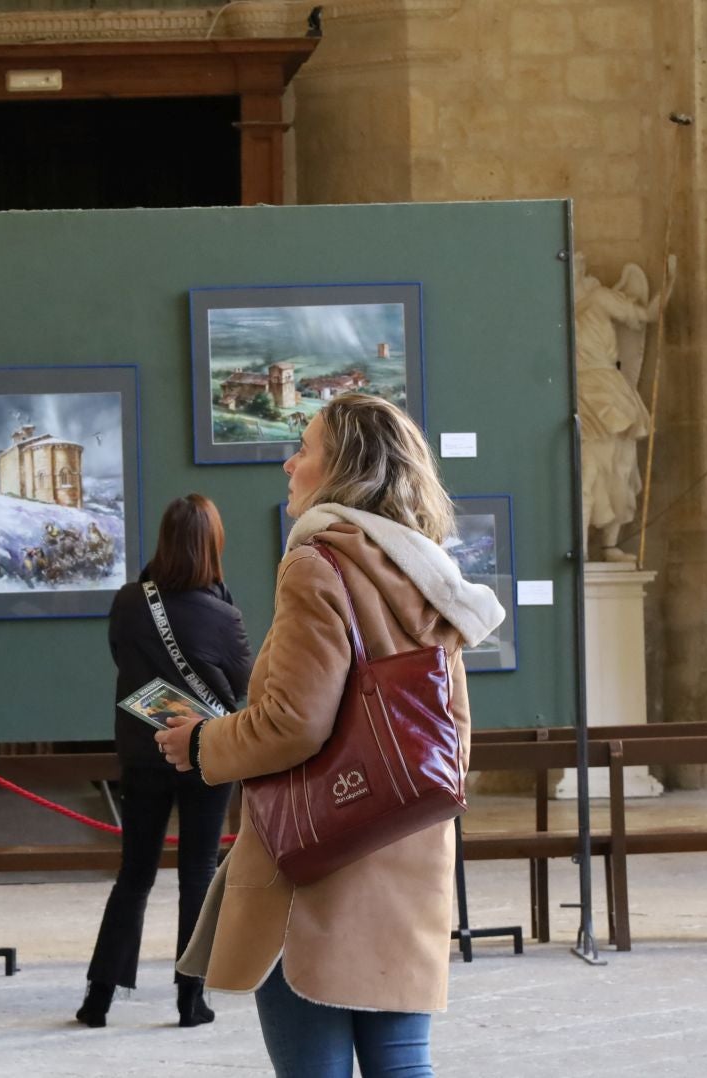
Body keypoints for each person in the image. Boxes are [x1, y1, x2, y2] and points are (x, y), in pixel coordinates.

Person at [156, 394, 504, 1078]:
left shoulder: (317, 564)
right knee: (402, 1064)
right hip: (407, 850)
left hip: (317, 860)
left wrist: (201, 743)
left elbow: (294, 722)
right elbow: (453, 737)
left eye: (305, 449)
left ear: (344, 468)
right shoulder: (429, 573)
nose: (289, 464)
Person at [77, 493, 254, 1029]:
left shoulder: (129, 602)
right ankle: (190, 999)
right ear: (214, 545)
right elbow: (242, 685)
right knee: (198, 870)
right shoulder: (224, 615)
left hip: (143, 751)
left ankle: (98, 998)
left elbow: (121, 658)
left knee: (134, 873)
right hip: (204, 751)